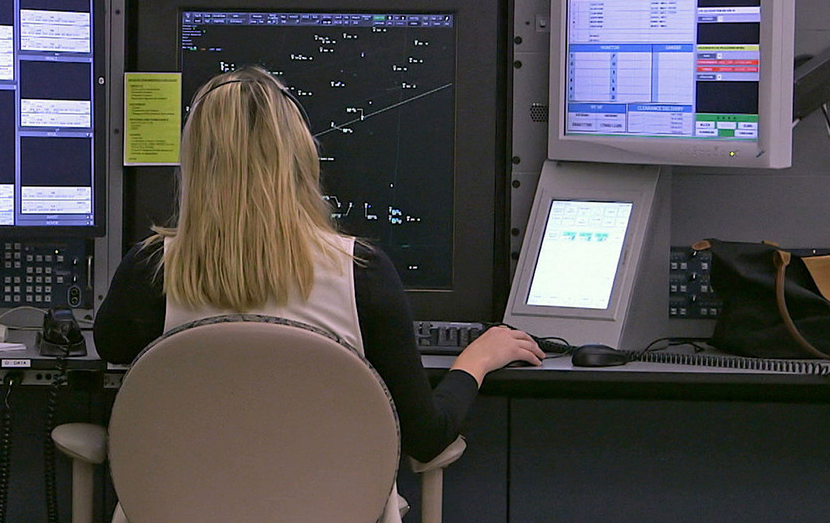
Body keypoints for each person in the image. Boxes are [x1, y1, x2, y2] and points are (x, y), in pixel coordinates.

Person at [93, 66, 543, 467]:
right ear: (301, 157)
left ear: (194, 162)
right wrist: (479, 358)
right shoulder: (360, 272)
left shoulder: (150, 271)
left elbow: (113, 347)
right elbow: (425, 438)